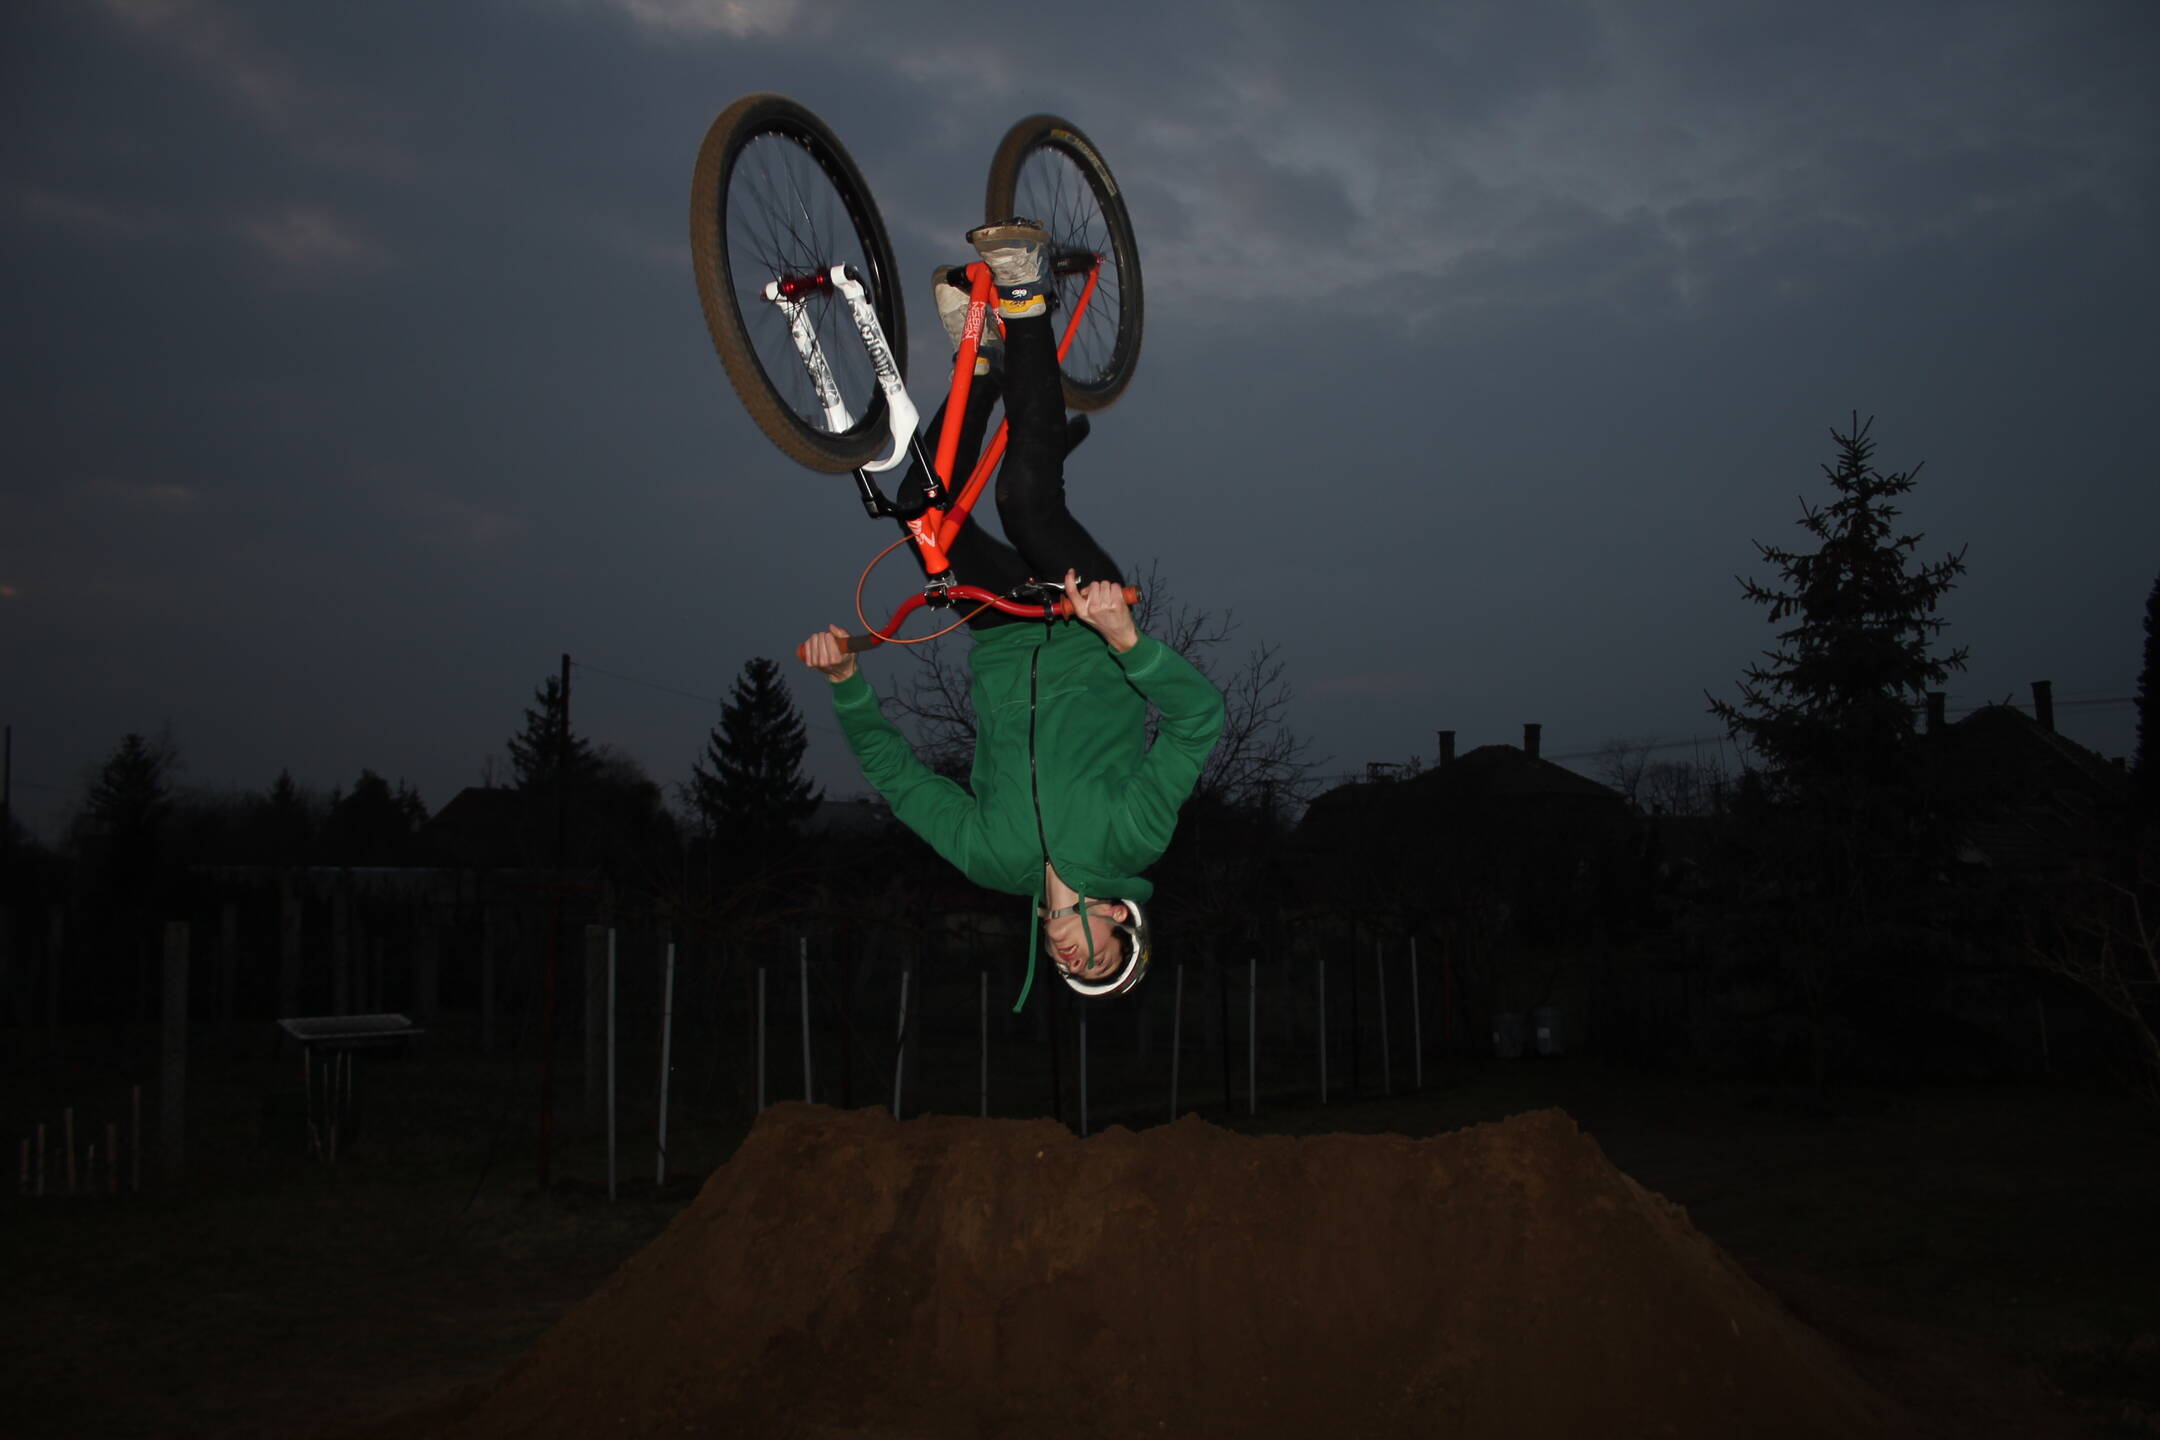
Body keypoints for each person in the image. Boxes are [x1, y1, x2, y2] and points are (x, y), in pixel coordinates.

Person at [799, 219, 1225, 1006]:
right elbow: (1198, 719)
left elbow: (901, 783)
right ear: (1119, 918)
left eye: (1072, 971)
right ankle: (1025, 291)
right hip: (1088, 625)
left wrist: (847, 686)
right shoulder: (1132, 839)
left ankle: (985, 361)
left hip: (999, 632)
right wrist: (1127, 642)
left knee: (921, 513)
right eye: (1097, 960)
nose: (1073, 959)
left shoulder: (993, 862)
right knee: (1025, 501)